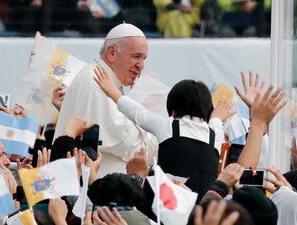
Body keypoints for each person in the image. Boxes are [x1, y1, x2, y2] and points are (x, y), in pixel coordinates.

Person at [94, 70, 231, 200]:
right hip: (201, 212)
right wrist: (217, 114)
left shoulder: (169, 126)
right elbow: (216, 121)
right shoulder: (215, 135)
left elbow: (137, 113)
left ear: (173, 110)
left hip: (166, 208)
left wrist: (111, 90)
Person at [53, 23, 158, 178]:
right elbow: (130, 145)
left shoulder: (108, 81)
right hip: (95, 195)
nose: (140, 66)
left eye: (143, 58)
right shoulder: (94, 81)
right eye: (136, 56)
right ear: (111, 52)